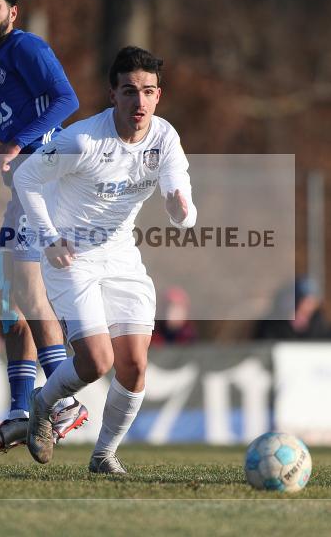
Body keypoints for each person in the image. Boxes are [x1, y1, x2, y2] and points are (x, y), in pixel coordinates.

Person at [14, 46, 197, 473]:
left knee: (134, 366)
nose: (139, 101)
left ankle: (103, 457)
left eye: (148, 91)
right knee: (97, 362)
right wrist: (50, 238)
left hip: (121, 257)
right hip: (72, 256)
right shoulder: (82, 140)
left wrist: (179, 211)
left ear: (158, 96)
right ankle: (42, 405)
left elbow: (184, 208)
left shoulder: (165, 139)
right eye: (129, 91)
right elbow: (27, 176)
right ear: (112, 94)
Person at [0, 0, 87, 454]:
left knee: (29, 296)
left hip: (48, 184)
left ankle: (62, 401)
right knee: (11, 307)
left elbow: (68, 99)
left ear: (12, 12)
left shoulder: (26, 47)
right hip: (26, 189)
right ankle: (19, 411)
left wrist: (19, 143)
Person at [254, 276, 329, 340]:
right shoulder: (271, 324)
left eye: (310, 301)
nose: (304, 305)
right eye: (299, 299)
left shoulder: (318, 323)